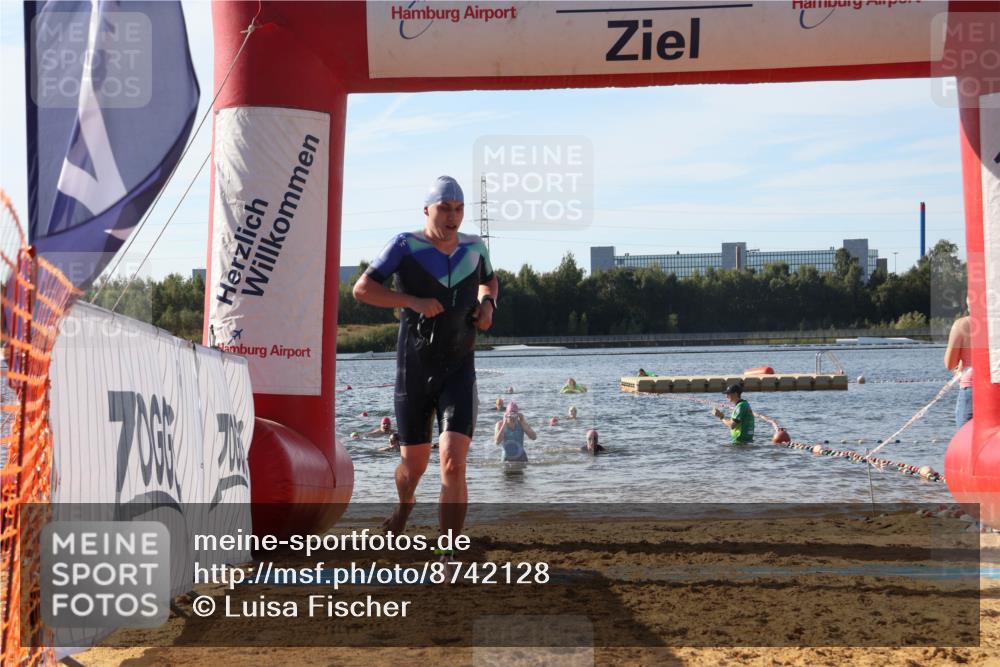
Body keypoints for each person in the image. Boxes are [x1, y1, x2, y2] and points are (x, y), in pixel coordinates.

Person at [353, 175, 499, 539]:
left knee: (453, 462)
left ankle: (448, 552)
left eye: (459, 209)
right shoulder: (405, 245)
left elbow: (489, 280)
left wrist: (487, 304)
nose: (453, 217)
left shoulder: (475, 247)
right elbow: (363, 289)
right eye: (445, 209)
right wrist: (412, 301)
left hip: (459, 368)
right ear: (426, 211)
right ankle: (405, 505)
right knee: (413, 467)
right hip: (415, 371)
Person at [945, 310, 974, 428]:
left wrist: (962, 361)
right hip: (995, 383)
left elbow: (950, 363)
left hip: (972, 385)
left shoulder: (962, 324)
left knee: (966, 434)